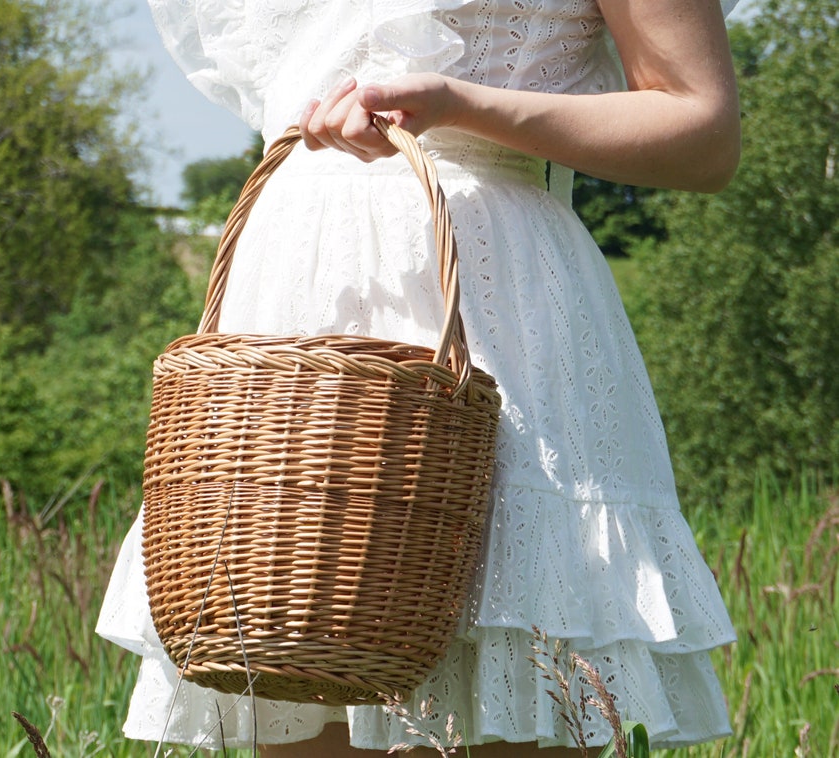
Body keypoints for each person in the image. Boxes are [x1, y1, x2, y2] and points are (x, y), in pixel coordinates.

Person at [97, 0, 740, 754]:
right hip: (294, 294)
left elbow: (702, 132)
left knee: (514, 689)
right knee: (297, 681)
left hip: (493, 296)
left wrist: (463, 104)